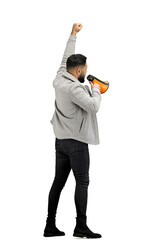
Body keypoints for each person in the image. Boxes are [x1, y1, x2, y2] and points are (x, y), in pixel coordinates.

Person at [43, 23, 102, 238]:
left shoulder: (60, 78)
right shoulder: (76, 88)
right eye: (85, 69)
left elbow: (64, 58)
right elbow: (94, 106)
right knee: (82, 182)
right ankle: (81, 227)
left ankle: (50, 225)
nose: (86, 72)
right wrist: (95, 89)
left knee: (58, 182)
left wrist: (73, 35)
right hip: (76, 143)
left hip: (60, 142)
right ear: (78, 71)